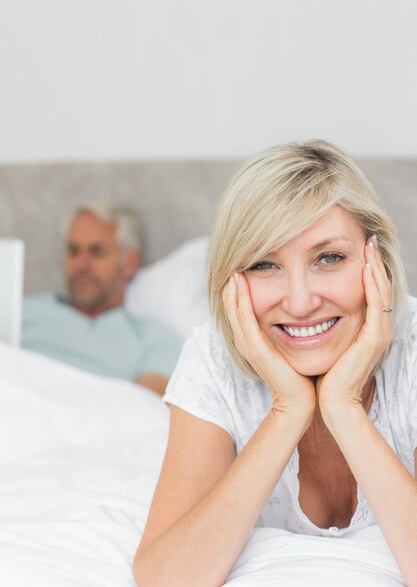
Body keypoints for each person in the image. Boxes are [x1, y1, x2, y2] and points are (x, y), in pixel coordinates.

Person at [133, 140, 417, 586]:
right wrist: (289, 408)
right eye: (265, 264)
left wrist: (343, 404)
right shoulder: (212, 358)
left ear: (374, 259)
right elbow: (167, 578)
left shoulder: (414, 351)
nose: (301, 302)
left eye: (329, 258)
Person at [22, 202, 181, 396]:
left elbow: (145, 412)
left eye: (97, 252)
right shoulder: (20, 312)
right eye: (73, 251)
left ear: (129, 263)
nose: (81, 264)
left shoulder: (155, 340)